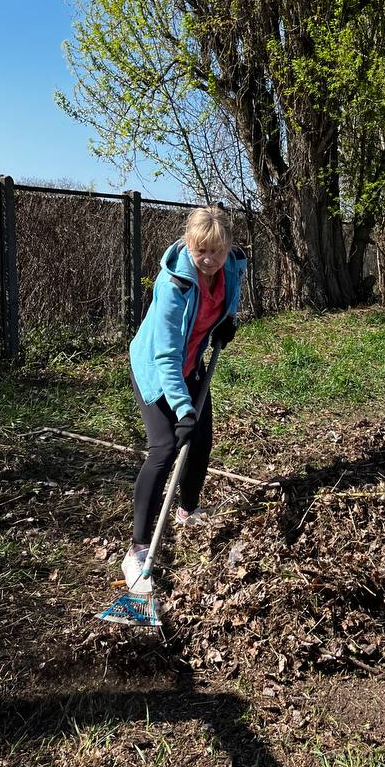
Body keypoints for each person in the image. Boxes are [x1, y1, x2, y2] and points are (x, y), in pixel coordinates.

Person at [122, 206, 247, 597]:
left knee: (202, 441)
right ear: (189, 245)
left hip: (191, 362)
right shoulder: (173, 284)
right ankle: (137, 550)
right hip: (158, 369)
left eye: (217, 252)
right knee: (165, 447)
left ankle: (187, 510)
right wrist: (181, 408)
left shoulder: (233, 267)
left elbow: (228, 298)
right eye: (201, 252)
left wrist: (227, 320)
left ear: (227, 248)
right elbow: (165, 355)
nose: (209, 261)